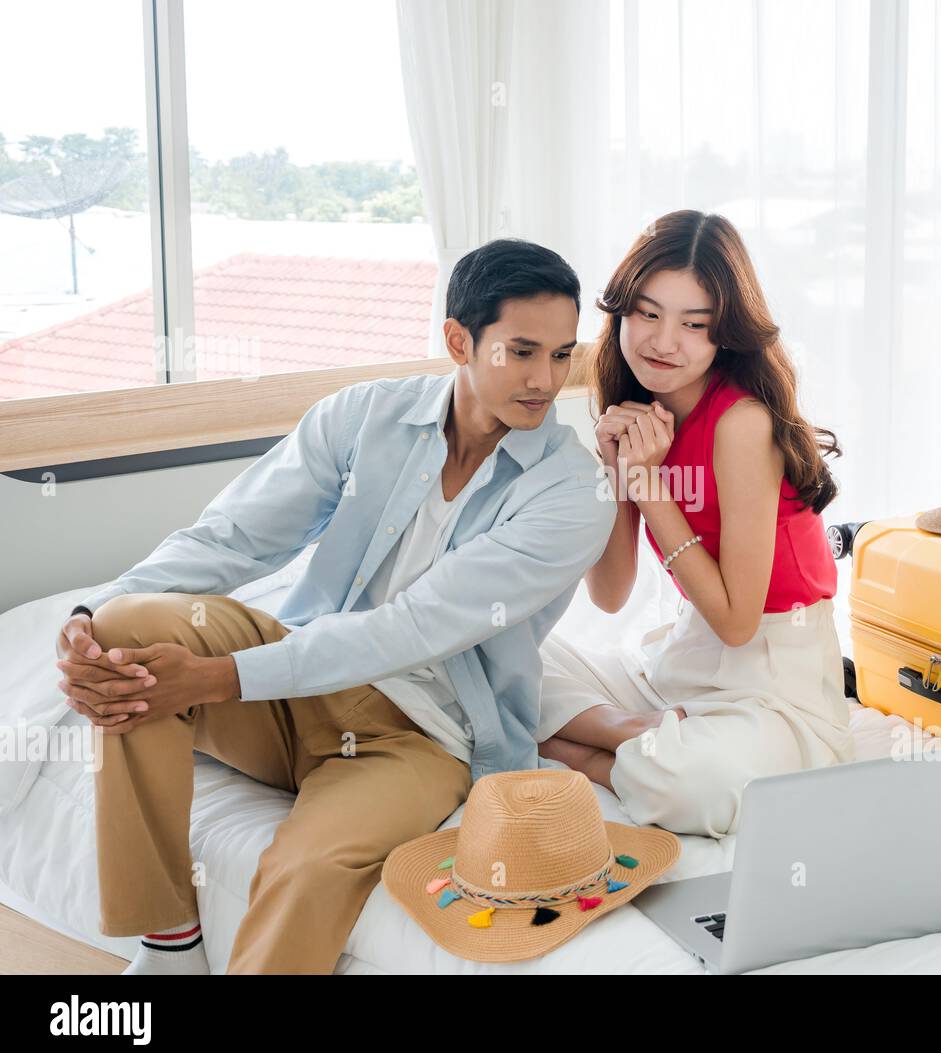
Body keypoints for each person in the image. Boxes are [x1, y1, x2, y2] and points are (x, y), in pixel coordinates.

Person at [52, 238, 616, 974]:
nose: (546, 380)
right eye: (523, 351)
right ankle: (168, 948)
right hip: (292, 692)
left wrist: (218, 677)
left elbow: (410, 628)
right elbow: (234, 536)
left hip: (419, 737)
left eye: (563, 354)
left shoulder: (573, 493)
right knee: (127, 633)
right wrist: (91, 613)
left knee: (307, 864)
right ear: (458, 340)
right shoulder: (365, 416)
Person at [535, 209, 853, 839]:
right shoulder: (637, 415)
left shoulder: (743, 424)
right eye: (647, 314)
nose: (662, 342)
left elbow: (737, 625)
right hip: (682, 666)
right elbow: (610, 593)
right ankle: (636, 734)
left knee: (698, 783)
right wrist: (616, 471)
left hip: (774, 680)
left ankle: (586, 752)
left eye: (693, 324)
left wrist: (648, 485)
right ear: (621, 311)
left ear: (724, 334)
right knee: (485, 655)